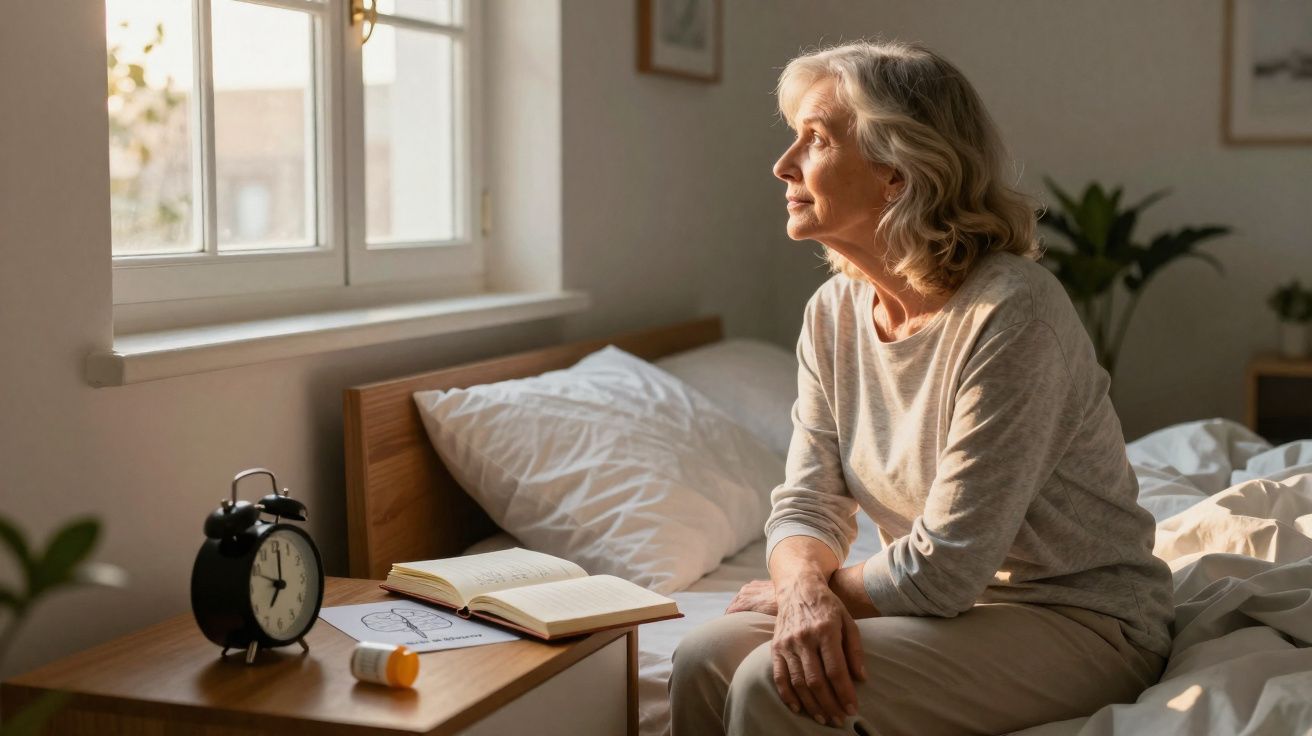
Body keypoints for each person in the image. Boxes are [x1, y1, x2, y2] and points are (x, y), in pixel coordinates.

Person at [668, 40, 1174, 736]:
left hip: (1080, 620)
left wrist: (811, 593)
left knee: (772, 687)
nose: (783, 165)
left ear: (898, 174)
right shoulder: (833, 315)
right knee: (701, 657)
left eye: (816, 140)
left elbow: (946, 566)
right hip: (939, 607)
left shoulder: (1012, 312)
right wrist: (801, 585)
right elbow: (809, 503)